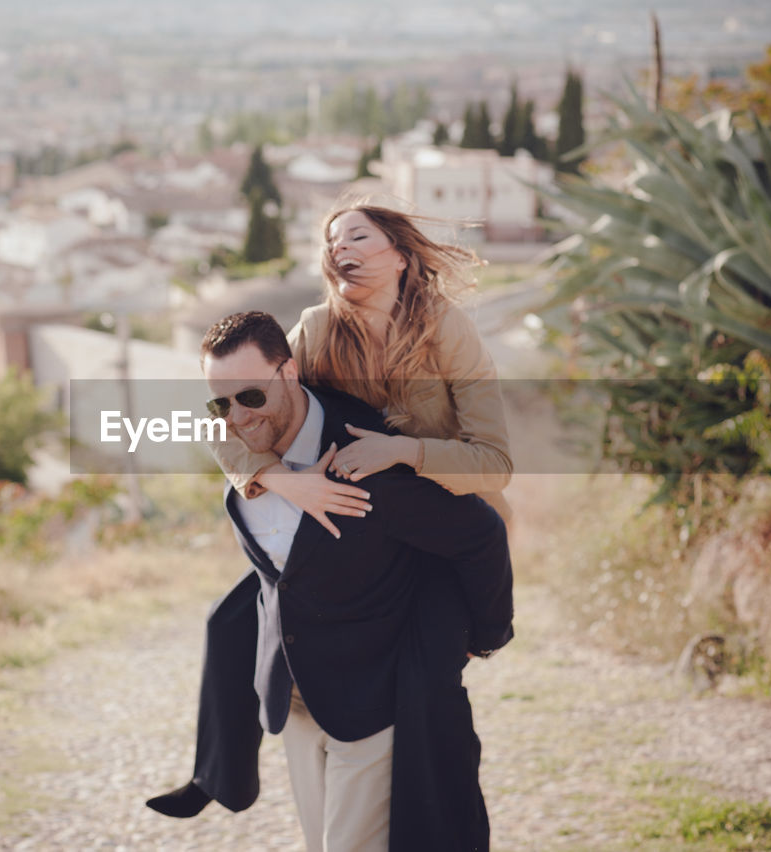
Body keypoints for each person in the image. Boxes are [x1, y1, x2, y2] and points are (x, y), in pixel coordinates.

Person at [149, 203, 514, 850]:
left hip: (430, 512)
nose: (338, 246)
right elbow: (243, 413)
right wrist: (283, 481)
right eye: (329, 239)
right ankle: (217, 773)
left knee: (431, 707)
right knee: (235, 620)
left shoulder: (446, 330)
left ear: (399, 255)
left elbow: (494, 463)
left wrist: (401, 452)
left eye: (357, 236)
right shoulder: (316, 329)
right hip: (345, 516)